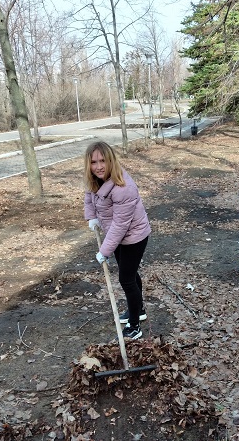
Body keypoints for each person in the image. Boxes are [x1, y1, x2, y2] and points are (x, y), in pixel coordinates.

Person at [83, 141, 151, 340]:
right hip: (118, 235)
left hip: (134, 236)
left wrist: (104, 251)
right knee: (130, 274)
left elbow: (121, 225)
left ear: (111, 160)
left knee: (126, 279)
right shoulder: (93, 179)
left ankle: (135, 325)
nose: (98, 166)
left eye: (103, 161)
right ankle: (138, 309)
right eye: (94, 162)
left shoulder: (123, 187)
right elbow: (89, 197)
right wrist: (92, 217)